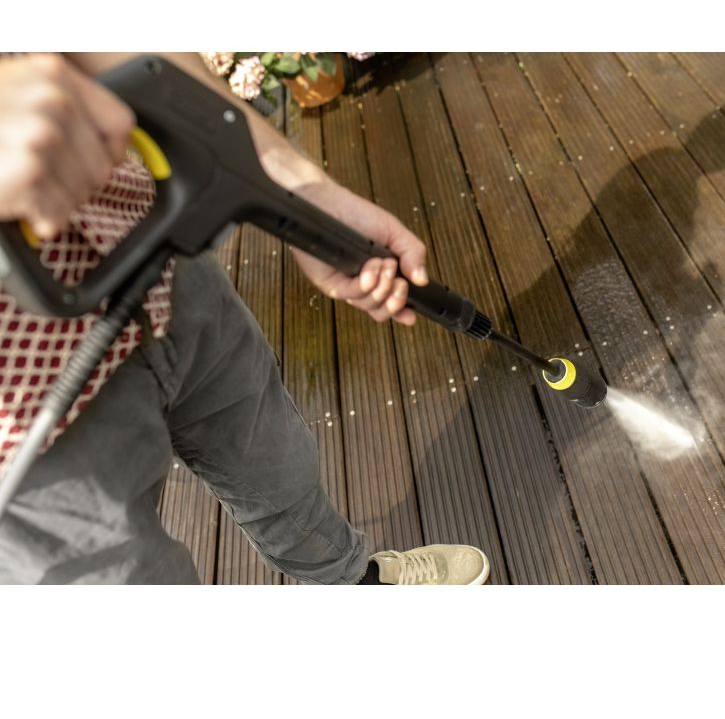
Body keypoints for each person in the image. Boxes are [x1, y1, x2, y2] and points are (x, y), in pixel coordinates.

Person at [0, 53, 491, 585]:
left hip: (153, 253)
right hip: (25, 427)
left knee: (278, 464)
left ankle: (353, 580)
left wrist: (301, 193)